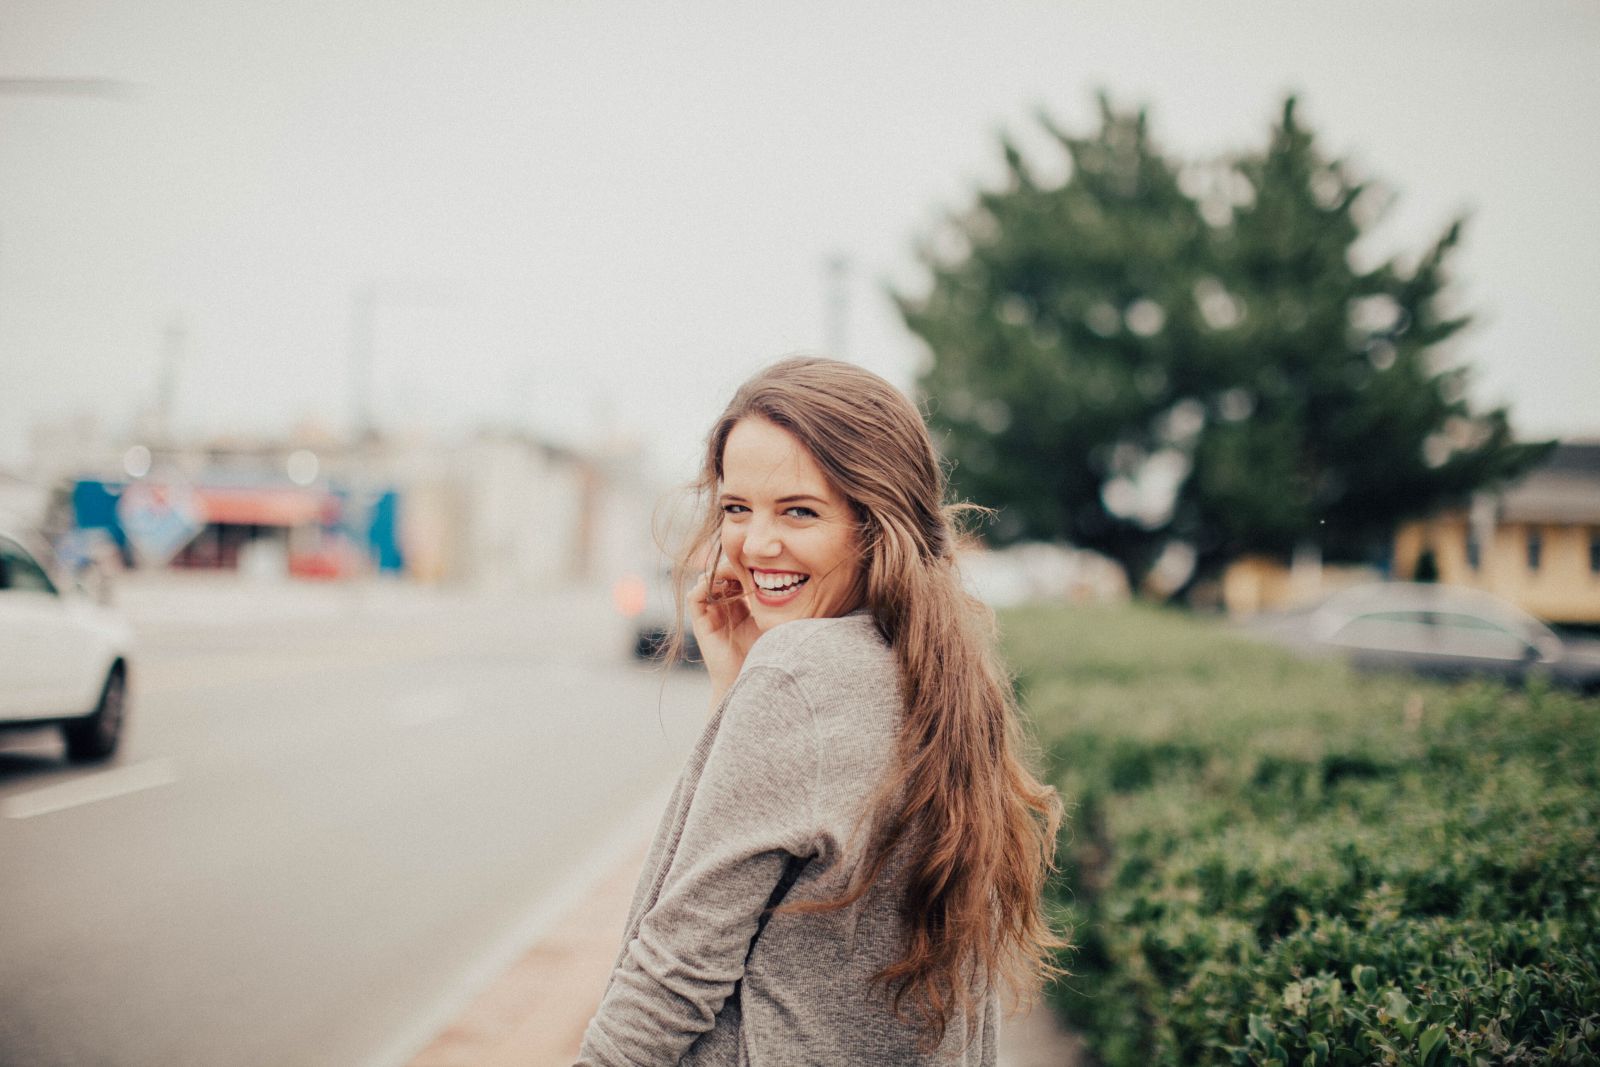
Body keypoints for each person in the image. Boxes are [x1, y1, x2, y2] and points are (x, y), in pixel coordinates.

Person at [576, 357, 1065, 1066]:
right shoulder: (939, 670)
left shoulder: (802, 677)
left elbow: (672, 972)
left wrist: (756, 687)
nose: (754, 544)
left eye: (799, 510)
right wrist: (732, 691)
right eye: (737, 507)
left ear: (874, 521)